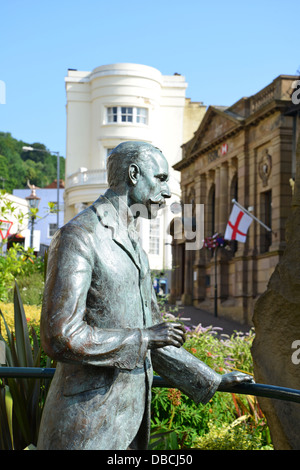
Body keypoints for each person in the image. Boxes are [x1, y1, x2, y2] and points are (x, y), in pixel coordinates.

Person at [37, 141, 252, 450]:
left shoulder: (135, 244)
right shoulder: (79, 235)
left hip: (130, 426)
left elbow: (154, 334)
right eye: (161, 179)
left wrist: (211, 380)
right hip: (86, 427)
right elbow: (60, 336)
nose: (167, 193)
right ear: (134, 174)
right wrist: (144, 338)